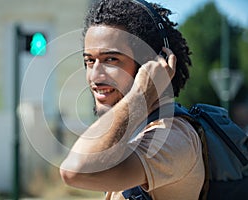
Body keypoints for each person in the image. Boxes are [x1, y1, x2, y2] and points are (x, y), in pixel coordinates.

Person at [60, 0, 205, 199]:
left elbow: (74, 171)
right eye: (90, 61)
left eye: (111, 59)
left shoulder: (172, 137)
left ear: (150, 65)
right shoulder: (135, 127)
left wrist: (141, 94)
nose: (95, 76)